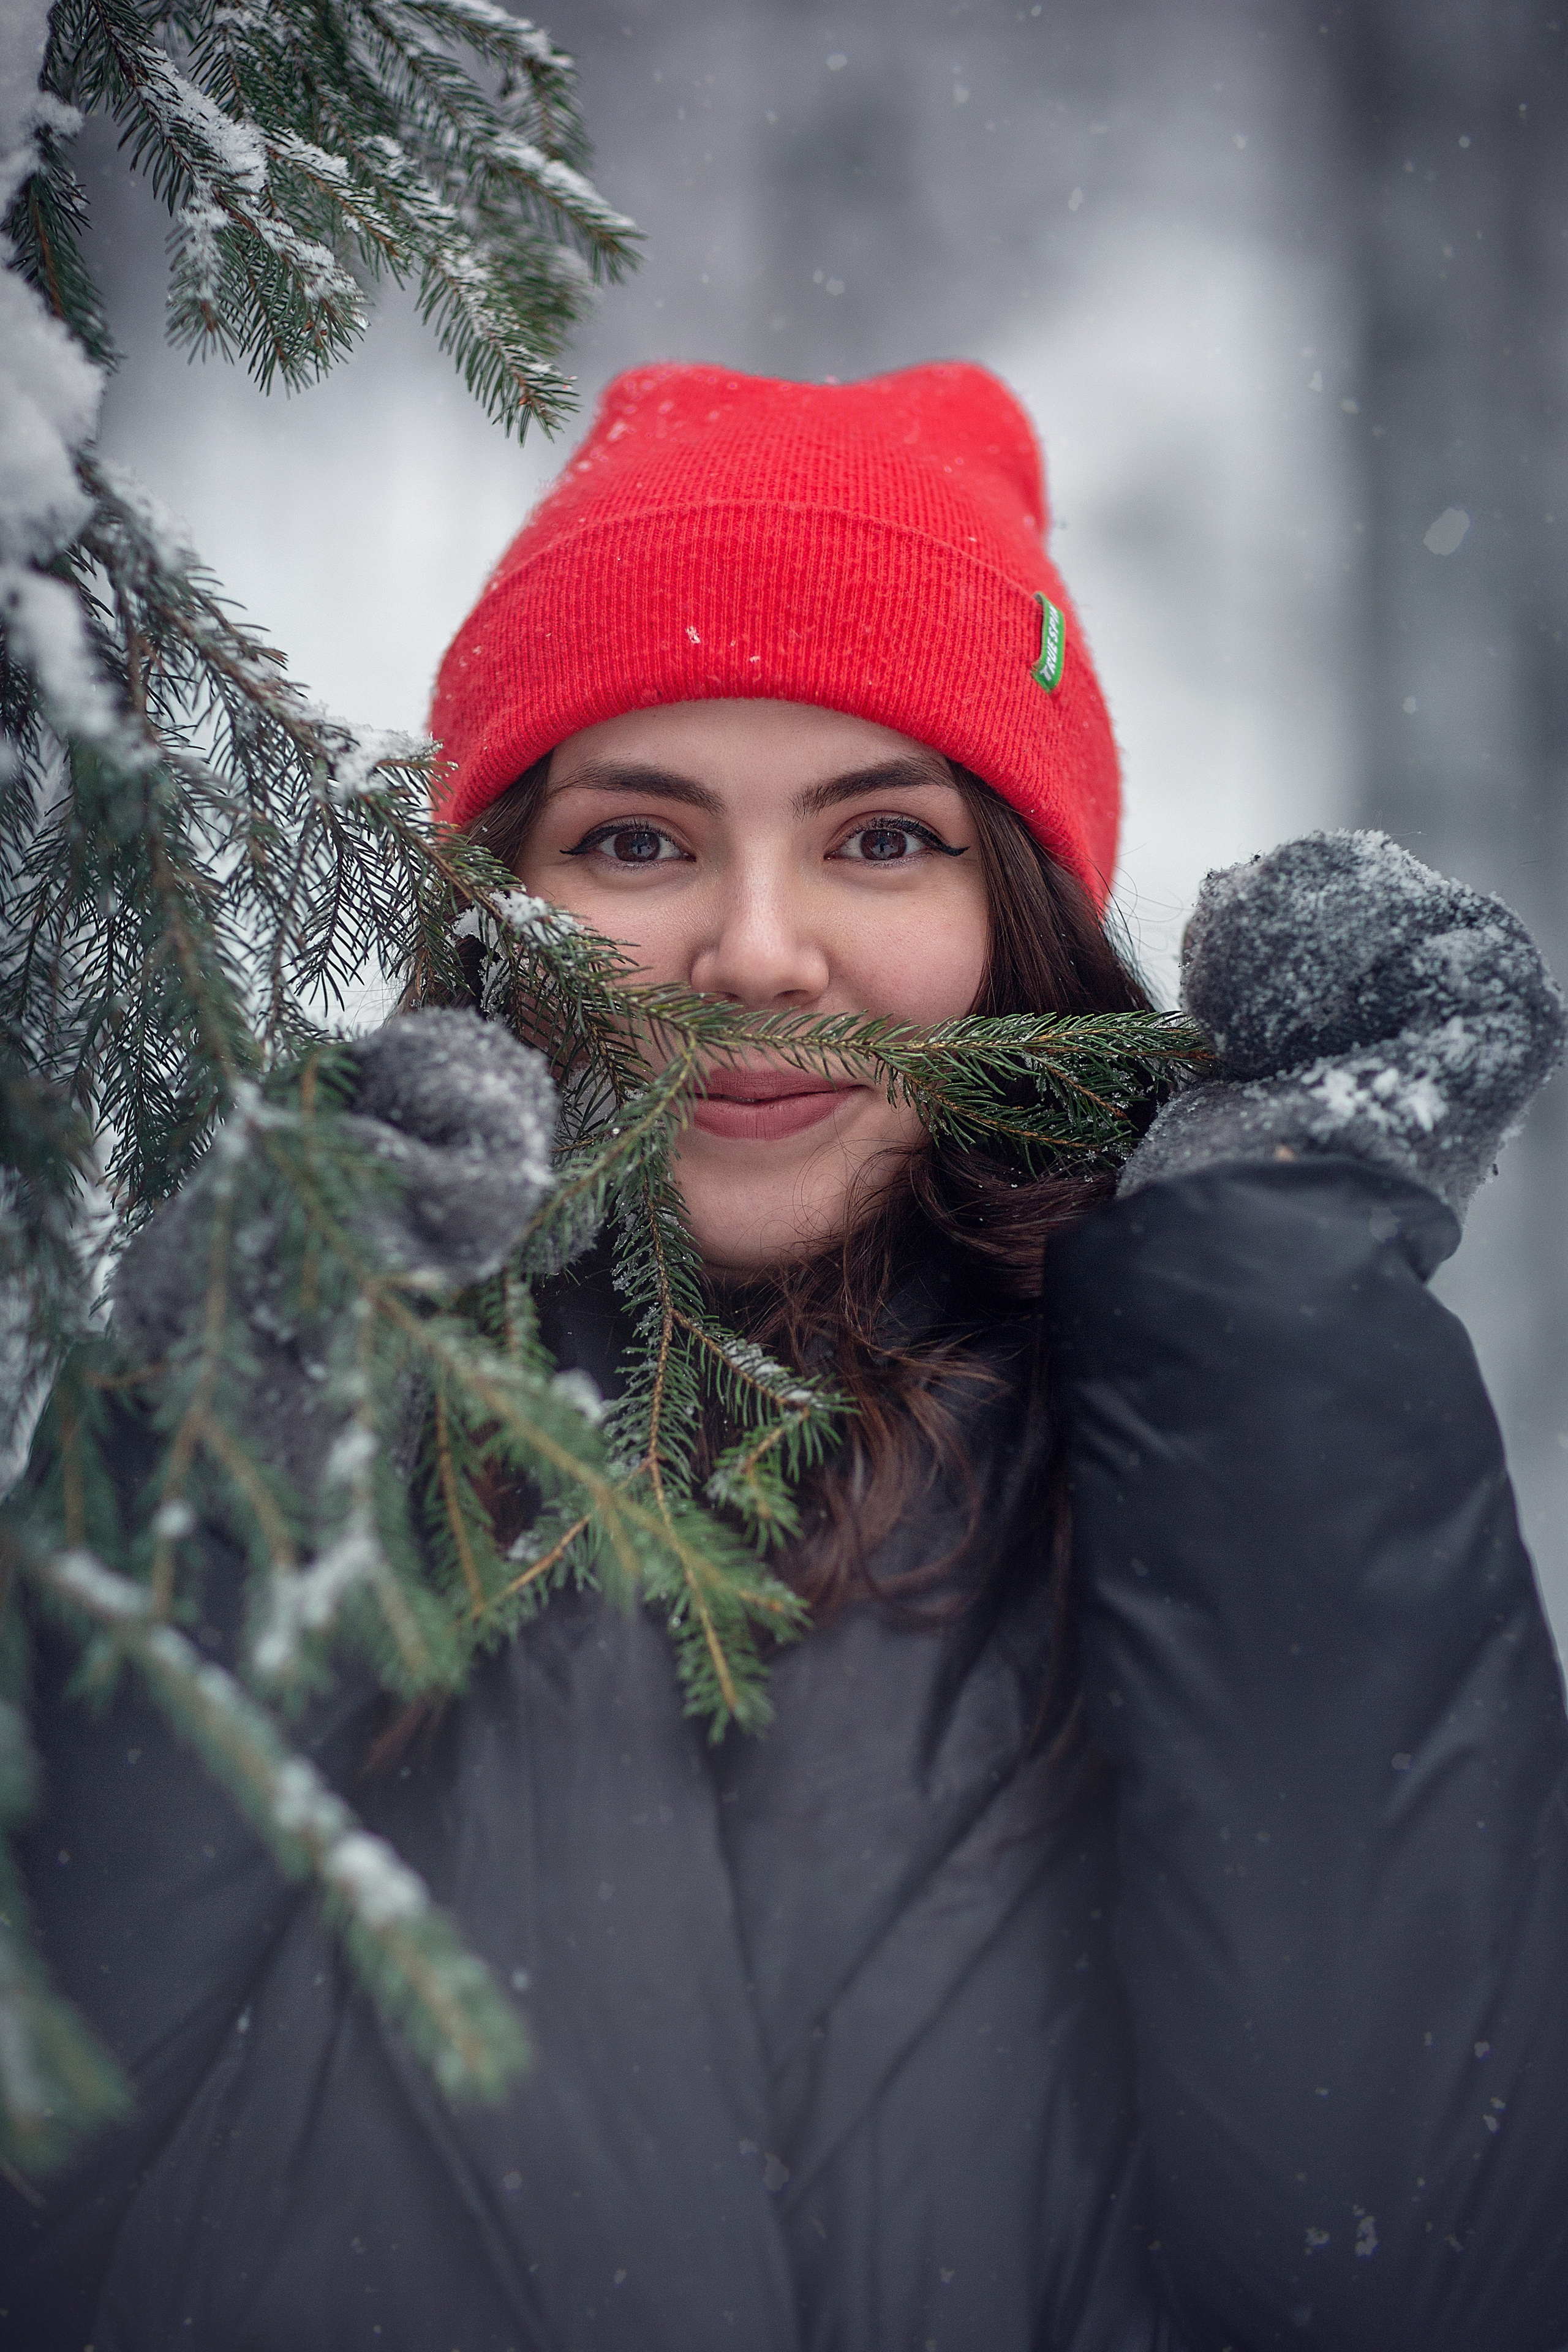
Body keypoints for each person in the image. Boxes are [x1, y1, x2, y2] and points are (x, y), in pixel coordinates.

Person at [5, 361, 1568, 2352]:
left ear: (1019, 924)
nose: (757, 950)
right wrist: (229, 1432)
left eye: (882, 839)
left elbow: (1419, 2262)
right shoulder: (295, 1398)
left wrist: (1279, 1323)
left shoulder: (1207, 1459)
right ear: (504, 913)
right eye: (640, 845)